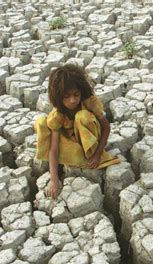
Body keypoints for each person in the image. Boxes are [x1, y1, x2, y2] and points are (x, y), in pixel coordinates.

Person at [35, 64, 120, 199]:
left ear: (81, 92)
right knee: (41, 122)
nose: (72, 100)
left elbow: (106, 127)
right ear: (58, 96)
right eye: (66, 96)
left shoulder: (90, 102)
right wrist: (54, 179)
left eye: (76, 95)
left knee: (82, 116)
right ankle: (80, 158)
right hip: (72, 142)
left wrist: (98, 154)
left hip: (91, 139)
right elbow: (54, 149)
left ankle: (89, 155)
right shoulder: (58, 114)